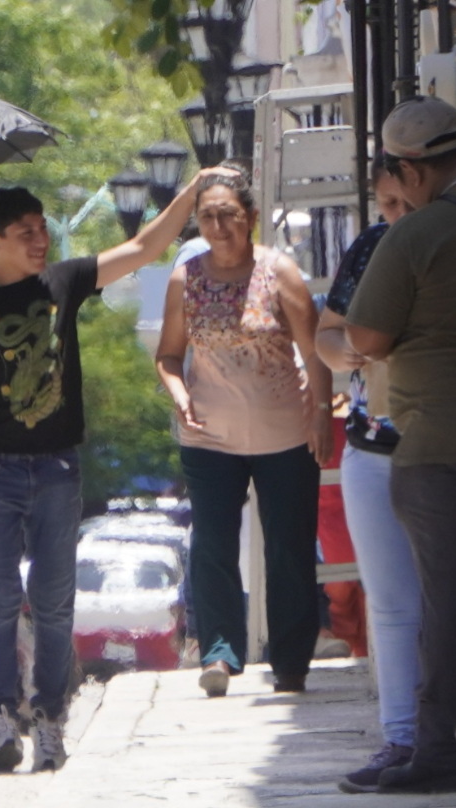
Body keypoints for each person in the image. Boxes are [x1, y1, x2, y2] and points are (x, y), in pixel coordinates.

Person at [0, 167, 238, 773]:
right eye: (23, 233)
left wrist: (191, 193)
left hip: (58, 467)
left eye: (41, 229)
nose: (39, 241)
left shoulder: (64, 281)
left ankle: (49, 720)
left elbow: (143, 248)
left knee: (55, 601)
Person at [343, 96, 456, 793]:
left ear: (410, 170)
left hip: (439, 445)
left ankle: (440, 749)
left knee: (449, 607)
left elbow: (364, 339)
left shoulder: (418, 234)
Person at [155, 168, 333, 698]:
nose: (217, 225)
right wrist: (180, 394)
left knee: (289, 547)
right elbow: (168, 355)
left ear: (250, 218)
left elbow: (315, 351)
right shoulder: (185, 278)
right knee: (211, 544)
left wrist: (322, 414)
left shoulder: (280, 273)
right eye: (207, 216)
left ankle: (291, 661)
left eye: (227, 214)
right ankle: (219, 653)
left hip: (285, 434)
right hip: (210, 436)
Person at [313, 158, 423, 792]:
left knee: (451, 593)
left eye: (403, 201)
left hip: (437, 437)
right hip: (371, 437)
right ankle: (400, 735)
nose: (395, 216)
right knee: (389, 600)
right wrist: (347, 350)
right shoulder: (371, 249)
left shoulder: (446, 242)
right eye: (385, 205)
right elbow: (328, 335)